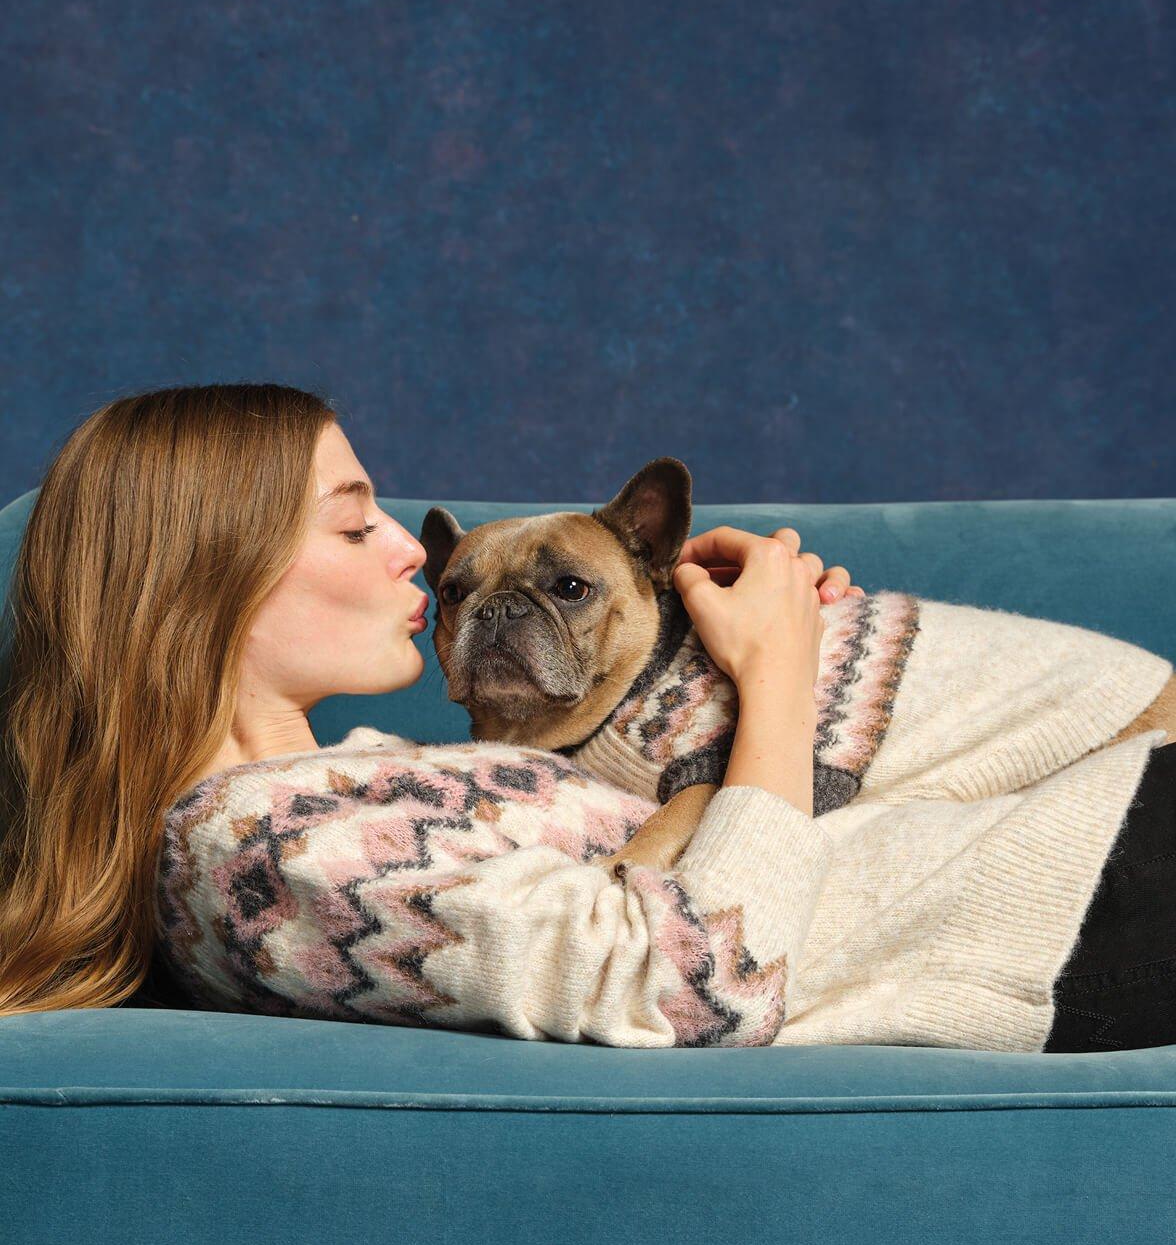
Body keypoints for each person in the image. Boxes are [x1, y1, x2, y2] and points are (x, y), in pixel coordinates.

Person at [0, 383, 1171, 1052]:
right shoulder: (259, 852)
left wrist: (789, 671)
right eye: (359, 525)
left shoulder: (375, 774)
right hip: (1064, 896)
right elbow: (689, 983)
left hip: (1078, 825)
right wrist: (775, 679)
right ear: (203, 580)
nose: (418, 548)